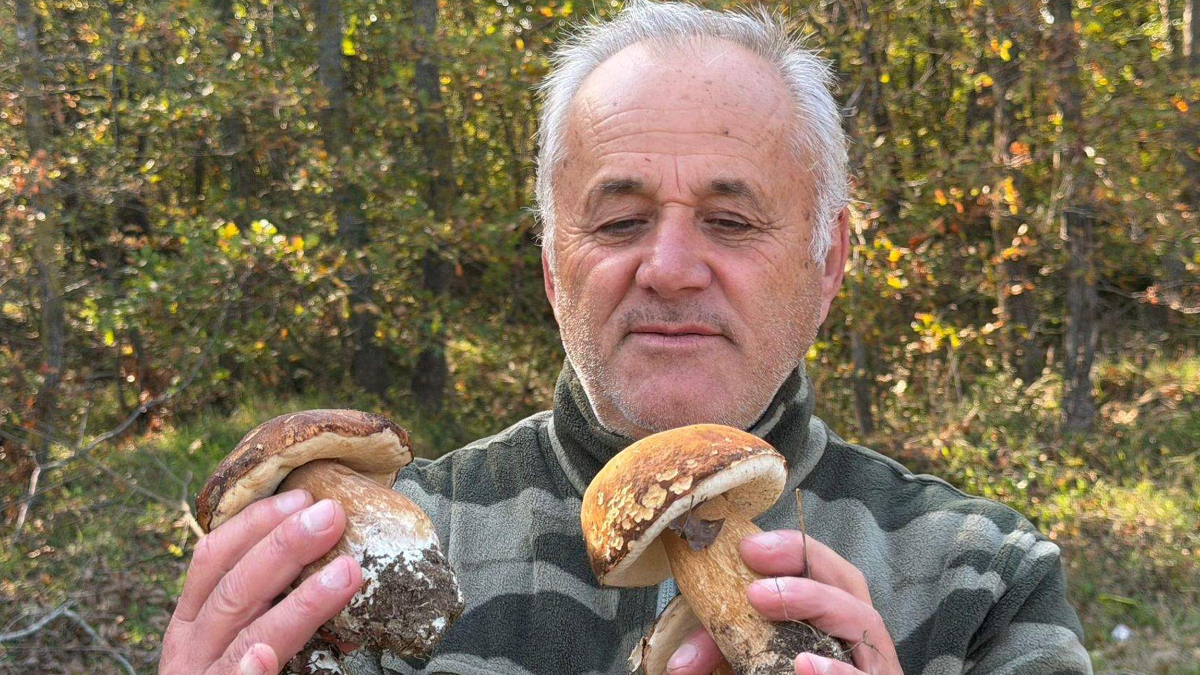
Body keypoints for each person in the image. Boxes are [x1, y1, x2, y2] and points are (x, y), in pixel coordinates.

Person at [160, 3, 1093, 674]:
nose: (671, 267)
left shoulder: (984, 577)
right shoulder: (359, 570)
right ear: (552, 266)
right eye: (618, 222)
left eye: (731, 222)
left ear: (828, 262)